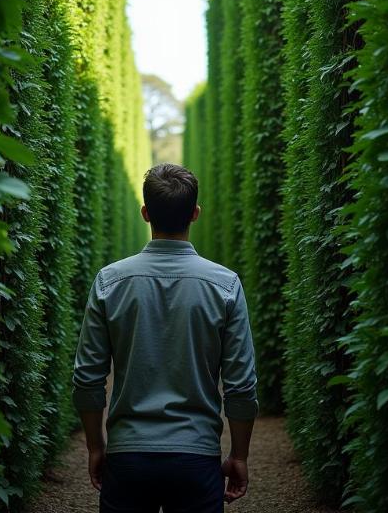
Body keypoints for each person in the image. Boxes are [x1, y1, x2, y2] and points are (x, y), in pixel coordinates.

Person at [71, 162, 258, 512]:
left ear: (145, 213)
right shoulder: (226, 285)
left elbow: (86, 379)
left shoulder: (109, 282)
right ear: (196, 214)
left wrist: (96, 447)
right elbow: (241, 385)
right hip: (196, 456)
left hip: (127, 456)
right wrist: (240, 455)